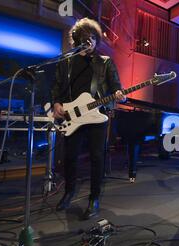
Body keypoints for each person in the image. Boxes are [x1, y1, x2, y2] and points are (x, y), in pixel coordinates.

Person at [52, 18, 126, 219]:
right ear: (77, 40)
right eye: (86, 38)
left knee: (96, 157)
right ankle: (69, 192)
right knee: (69, 157)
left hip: (96, 116)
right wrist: (56, 103)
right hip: (72, 116)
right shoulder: (65, 62)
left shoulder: (105, 62)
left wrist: (119, 94)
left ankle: (94, 197)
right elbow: (57, 86)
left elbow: (116, 86)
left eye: (93, 38)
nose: (90, 41)